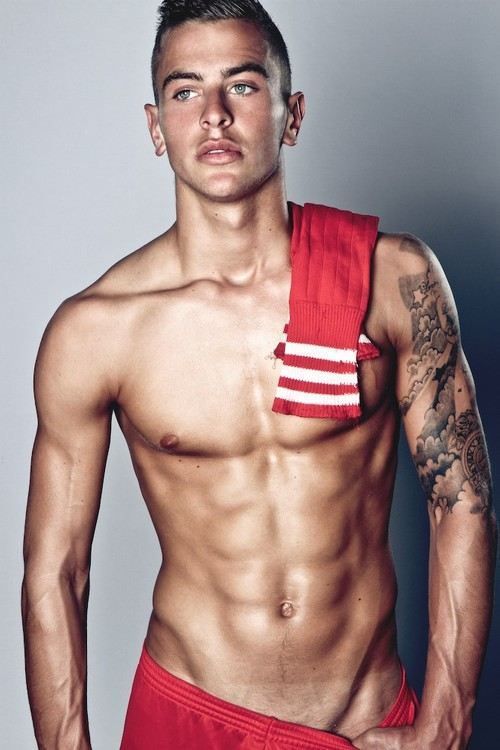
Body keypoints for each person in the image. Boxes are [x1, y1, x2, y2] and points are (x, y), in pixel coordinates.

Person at [21, 1, 496, 748]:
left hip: (364, 719)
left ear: (291, 114)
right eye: (185, 91)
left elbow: (461, 501)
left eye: (242, 85)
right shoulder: (96, 330)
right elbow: (55, 571)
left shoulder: (393, 279)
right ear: (156, 126)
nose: (214, 114)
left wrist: (448, 718)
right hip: (188, 711)